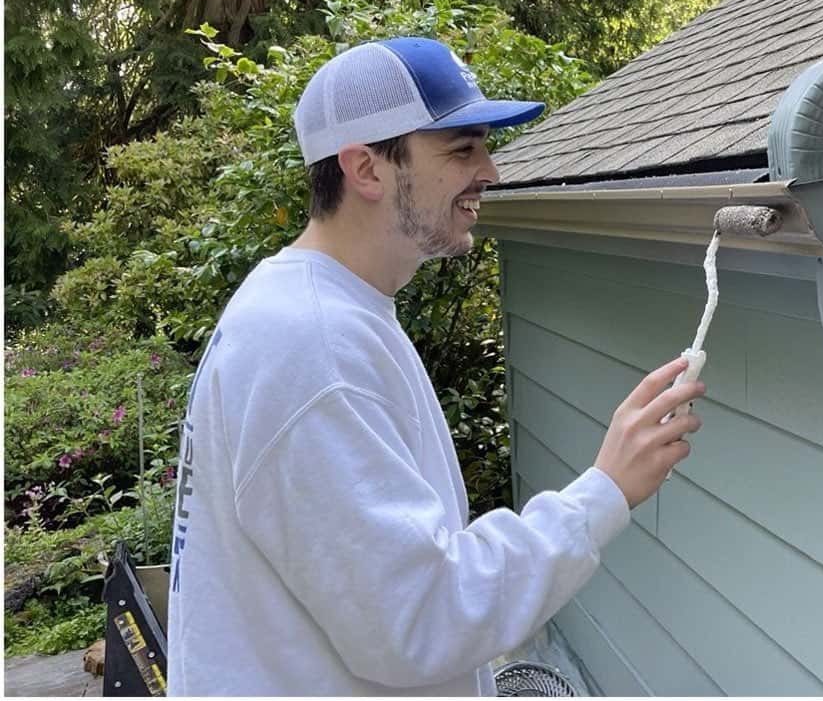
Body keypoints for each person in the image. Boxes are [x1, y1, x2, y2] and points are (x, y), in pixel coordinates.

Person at [166, 36, 703, 695]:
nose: (491, 171)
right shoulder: (311, 345)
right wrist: (605, 490)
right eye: (461, 148)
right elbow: (420, 620)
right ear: (367, 169)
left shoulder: (326, 312)